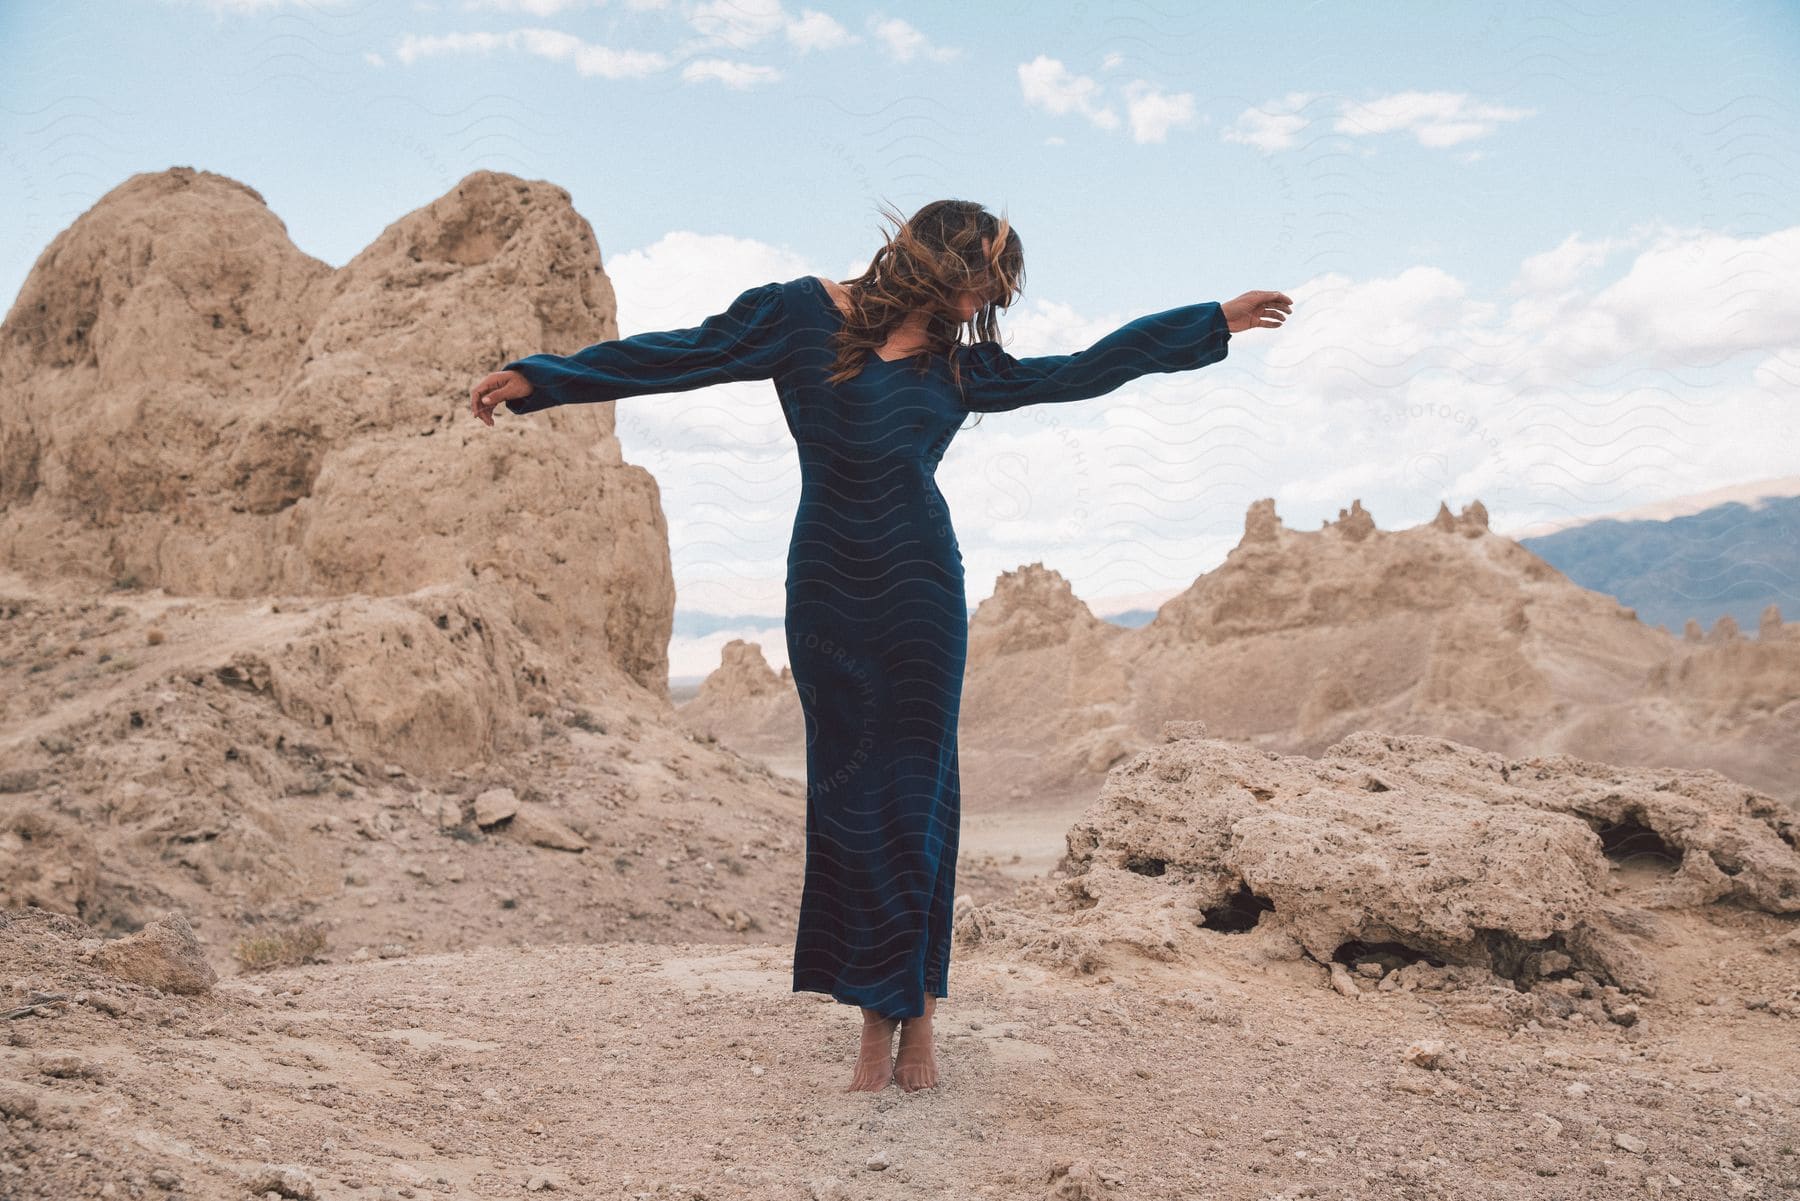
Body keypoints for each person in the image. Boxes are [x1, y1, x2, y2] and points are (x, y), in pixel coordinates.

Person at [470, 199, 1292, 1092]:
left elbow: (1089, 368)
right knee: (853, 804)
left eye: (995, 288)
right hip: (828, 589)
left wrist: (1213, 321)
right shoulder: (795, 315)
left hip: (922, 593)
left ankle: (921, 1023)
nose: (985, 300)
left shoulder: (959, 364)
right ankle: (871, 1024)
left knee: (919, 800)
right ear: (933, 259)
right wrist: (542, 378)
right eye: (980, 277)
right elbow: (681, 355)